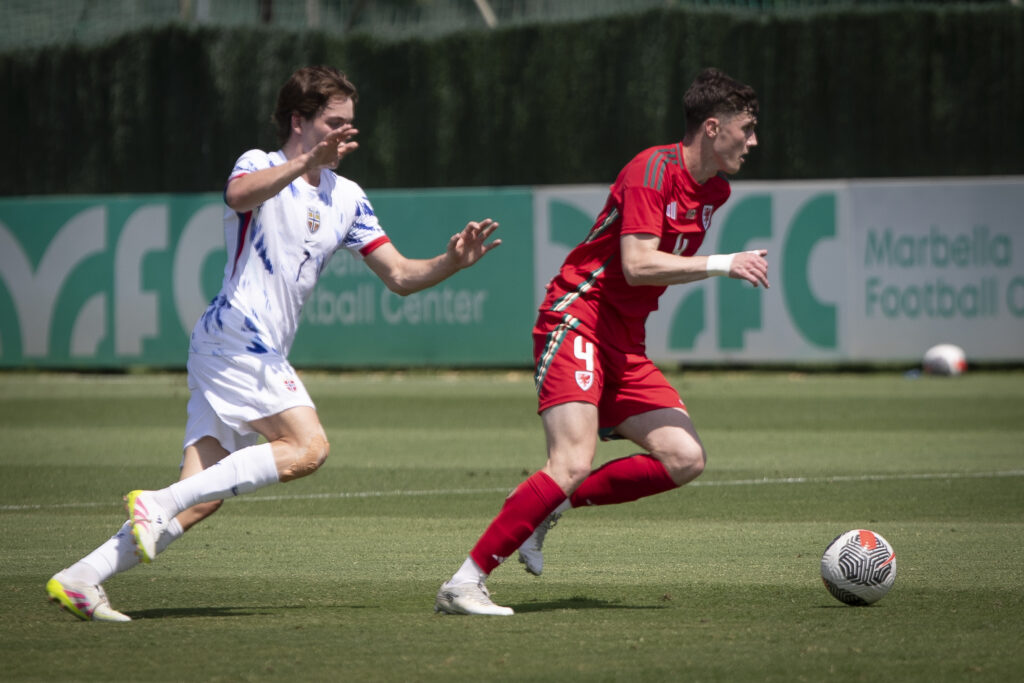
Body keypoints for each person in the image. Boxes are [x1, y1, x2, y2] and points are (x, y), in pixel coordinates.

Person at [46, 65, 501, 622]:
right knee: (309, 447)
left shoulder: (348, 197)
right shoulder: (259, 163)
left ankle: (83, 576)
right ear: (298, 121)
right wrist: (305, 164)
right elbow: (238, 197)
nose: (345, 136)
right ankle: (156, 503)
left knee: (203, 493)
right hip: (238, 335)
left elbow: (402, 276)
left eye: (350, 125)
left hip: (249, 350)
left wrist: (450, 263)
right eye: (334, 123)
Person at [435, 67, 767, 616]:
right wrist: (723, 264)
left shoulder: (717, 189)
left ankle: (550, 506)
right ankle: (464, 582)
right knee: (570, 459)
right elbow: (637, 265)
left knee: (685, 458)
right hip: (576, 317)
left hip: (624, 341)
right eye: (747, 128)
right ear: (712, 128)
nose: (754, 141)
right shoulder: (650, 170)